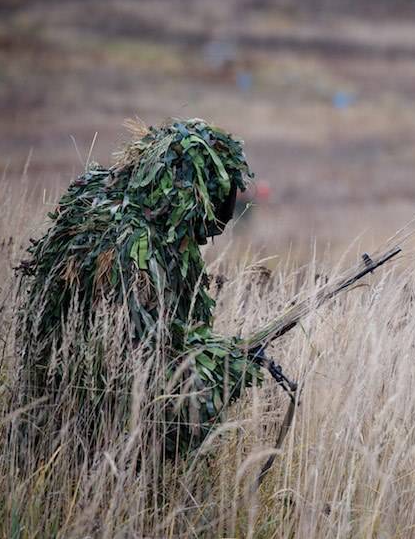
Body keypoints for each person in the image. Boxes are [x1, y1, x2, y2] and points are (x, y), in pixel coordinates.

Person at [18, 118, 262, 455]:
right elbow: (147, 360)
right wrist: (224, 366)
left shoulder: (98, 204)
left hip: (46, 406)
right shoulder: (139, 247)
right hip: (98, 430)